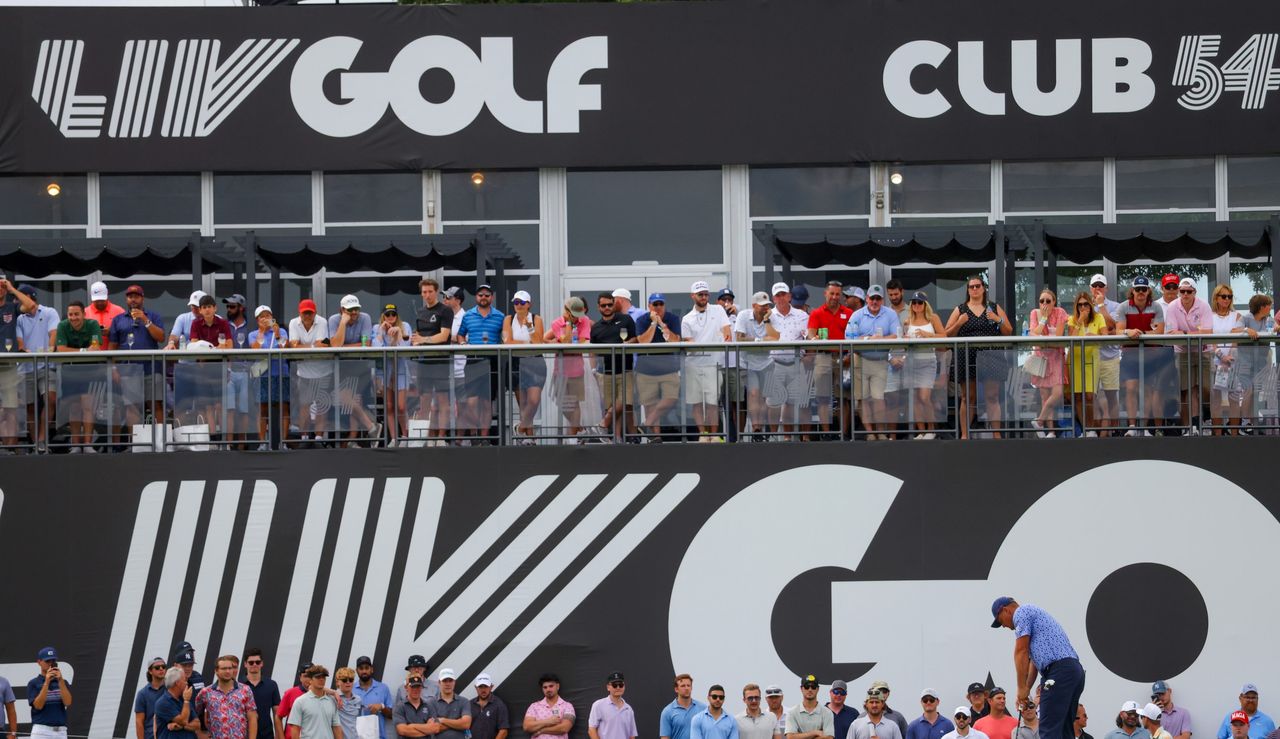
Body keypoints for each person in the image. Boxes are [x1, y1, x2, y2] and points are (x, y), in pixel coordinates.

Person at [991, 597, 1085, 739]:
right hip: (1072, 671)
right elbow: (1034, 662)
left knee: (1048, 730)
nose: (1003, 626)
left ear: (1006, 610)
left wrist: (1021, 688)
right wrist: (1027, 689)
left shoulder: (1021, 612)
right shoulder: (1035, 618)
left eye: (1000, 620)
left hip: (1058, 672)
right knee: (1065, 731)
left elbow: (1020, 651)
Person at [945, 277, 1013, 439]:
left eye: (977, 286)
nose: (974, 289)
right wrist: (959, 323)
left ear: (983, 288)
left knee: (992, 396)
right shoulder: (960, 309)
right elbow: (946, 334)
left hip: (991, 354)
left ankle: (997, 435)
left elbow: (1008, 331)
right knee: (968, 397)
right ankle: (964, 435)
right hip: (966, 355)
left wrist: (998, 319)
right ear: (968, 290)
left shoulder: (994, 308)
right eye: (971, 287)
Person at [108, 284, 166, 439]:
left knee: (155, 404)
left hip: (151, 367)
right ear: (126, 299)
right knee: (131, 406)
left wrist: (145, 320)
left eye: (136, 296)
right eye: (130, 296)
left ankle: (161, 442)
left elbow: (160, 337)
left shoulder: (153, 316)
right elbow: (112, 347)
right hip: (128, 370)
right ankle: (136, 444)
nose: (133, 299)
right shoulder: (118, 319)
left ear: (142, 298)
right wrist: (113, 368)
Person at [326, 294, 382, 446]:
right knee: (347, 398)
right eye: (350, 310)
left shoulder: (365, 317)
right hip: (341, 365)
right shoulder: (334, 320)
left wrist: (342, 347)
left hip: (360, 365)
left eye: (356, 309)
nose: (355, 313)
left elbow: (366, 345)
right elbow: (335, 345)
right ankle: (371, 426)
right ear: (342, 310)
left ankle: (354, 438)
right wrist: (343, 324)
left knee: (352, 399)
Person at [847, 285, 901, 439]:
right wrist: (868, 339)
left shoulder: (890, 314)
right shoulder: (857, 315)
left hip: (881, 360)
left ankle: (881, 432)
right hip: (860, 359)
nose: (875, 301)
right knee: (863, 398)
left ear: (882, 300)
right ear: (867, 299)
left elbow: (896, 335)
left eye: (878, 298)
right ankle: (870, 432)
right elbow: (849, 337)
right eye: (872, 298)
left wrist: (880, 339)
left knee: (878, 399)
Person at [682, 280, 732, 442]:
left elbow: (727, 333)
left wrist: (723, 340)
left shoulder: (718, 309)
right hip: (693, 365)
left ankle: (714, 434)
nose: (703, 297)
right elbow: (688, 344)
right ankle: (703, 434)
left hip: (714, 363)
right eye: (700, 294)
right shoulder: (687, 318)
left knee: (712, 402)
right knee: (697, 402)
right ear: (693, 296)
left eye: (706, 294)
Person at [1115, 278, 1165, 436]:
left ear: (1149, 290)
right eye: (1138, 289)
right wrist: (1127, 332)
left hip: (1151, 354)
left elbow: (1160, 332)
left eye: (1144, 289)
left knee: (1147, 390)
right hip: (1130, 353)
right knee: (1130, 388)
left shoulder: (1156, 306)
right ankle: (1131, 427)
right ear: (1133, 291)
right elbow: (1118, 331)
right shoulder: (1123, 306)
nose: (1141, 292)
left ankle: (1144, 428)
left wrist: (1141, 333)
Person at [1163, 278, 1213, 435]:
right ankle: (1192, 427)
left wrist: (1184, 333)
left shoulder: (1203, 305)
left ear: (1194, 293)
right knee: (1187, 390)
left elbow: (1207, 333)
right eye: (1182, 291)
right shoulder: (1172, 306)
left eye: (1188, 291)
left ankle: (1206, 415)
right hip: (1182, 352)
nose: (1185, 294)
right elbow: (1171, 333)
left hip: (1203, 351)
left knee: (1205, 388)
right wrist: (1193, 335)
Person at [456, 284, 505, 443]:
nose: (483, 297)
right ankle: (474, 435)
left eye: (487, 295)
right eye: (480, 295)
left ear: (491, 297)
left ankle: (483, 438)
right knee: (471, 402)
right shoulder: (468, 315)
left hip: (492, 361)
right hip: (473, 360)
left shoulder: (500, 316)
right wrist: (463, 344)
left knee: (486, 403)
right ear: (476, 297)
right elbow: (460, 335)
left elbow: (504, 338)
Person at [54, 302, 103, 452]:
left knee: (88, 407)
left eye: (76, 314)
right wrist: (83, 350)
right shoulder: (62, 326)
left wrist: (77, 351)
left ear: (83, 314)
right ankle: (75, 445)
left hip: (91, 371)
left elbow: (95, 348)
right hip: (70, 372)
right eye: (70, 314)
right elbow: (61, 350)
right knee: (74, 407)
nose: (73, 318)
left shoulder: (93, 324)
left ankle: (87, 444)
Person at [590, 292, 638, 442]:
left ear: (614, 304)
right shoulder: (596, 327)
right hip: (606, 371)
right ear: (598, 307)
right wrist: (593, 371)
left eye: (610, 304)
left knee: (625, 401)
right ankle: (615, 438)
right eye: (603, 305)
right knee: (611, 406)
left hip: (626, 369)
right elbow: (593, 352)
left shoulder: (625, 319)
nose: (607, 308)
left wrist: (627, 344)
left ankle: (603, 423)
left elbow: (635, 338)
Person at [411, 278, 454, 444]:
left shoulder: (445, 310)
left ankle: (442, 437)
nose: (427, 295)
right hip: (423, 363)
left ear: (436, 292)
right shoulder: (420, 312)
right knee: (425, 402)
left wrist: (423, 340)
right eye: (424, 292)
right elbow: (417, 337)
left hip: (441, 361)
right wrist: (412, 339)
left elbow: (444, 336)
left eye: (430, 291)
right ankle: (427, 438)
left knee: (443, 401)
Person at [807, 280, 853, 438]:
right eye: (831, 293)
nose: (834, 297)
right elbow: (811, 334)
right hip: (823, 356)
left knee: (844, 398)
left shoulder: (848, 313)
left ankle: (844, 434)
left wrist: (850, 355)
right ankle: (826, 433)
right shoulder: (817, 313)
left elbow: (853, 335)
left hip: (844, 357)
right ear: (825, 293)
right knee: (823, 397)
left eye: (837, 294)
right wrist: (815, 339)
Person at [634, 293, 682, 442]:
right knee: (649, 404)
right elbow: (643, 342)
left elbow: (675, 341)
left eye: (661, 304)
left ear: (665, 305)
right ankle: (655, 437)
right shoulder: (642, 320)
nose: (658, 307)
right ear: (649, 306)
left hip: (669, 368)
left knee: (671, 398)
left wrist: (662, 324)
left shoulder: (672, 318)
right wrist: (653, 324)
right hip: (646, 369)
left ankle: (646, 424)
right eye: (655, 304)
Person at [16, 283, 58, 450]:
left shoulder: (49, 312)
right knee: (30, 407)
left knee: (51, 399)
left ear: (29, 298)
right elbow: (20, 343)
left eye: (20, 299)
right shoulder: (19, 318)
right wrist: (23, 349)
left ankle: (42, 440)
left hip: (47, 365)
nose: (17, 303)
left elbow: (53, 334)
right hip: (26, 368)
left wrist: (48, 351)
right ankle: (35, 445)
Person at [544, 297, 593, 440]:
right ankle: (579, 428)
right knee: (561, 403)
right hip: (560, 370)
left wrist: (566, 341)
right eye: (573, 314)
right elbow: (566, 342)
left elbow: (582, 343)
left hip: (577, 370)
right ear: (566, 310)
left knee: (574, 403)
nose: (577, 318)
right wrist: (568, 324)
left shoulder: (584, 320)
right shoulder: (556, 323)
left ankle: (574, 437)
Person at [502, 291, 547, 442]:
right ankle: (529, 439)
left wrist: (530, 328)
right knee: (523, 405)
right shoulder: (508, 319)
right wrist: (528, 344)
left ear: (529, 304)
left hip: (534, 361)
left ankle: (521, 428)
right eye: (516, 303)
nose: (519, 306)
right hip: (516, 361)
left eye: (522, 303)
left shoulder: (536, 319)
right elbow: (507, 342)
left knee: (533, 401)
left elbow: (539, 343)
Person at [767, 283, 810, 439]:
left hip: (797, 362)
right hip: (774, 362)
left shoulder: (802, 315)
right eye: (778, 295)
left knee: (794, 403)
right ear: (773, 298)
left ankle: (788, 437)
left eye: (784, 294)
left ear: (789, 296)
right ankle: (772, 437)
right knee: (774, 404)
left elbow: (809, 337)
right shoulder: (768, 315)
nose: (781, 298)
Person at [287, 299, 332, 447]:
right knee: (304, 407)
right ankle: (304, 438)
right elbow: (293, 346)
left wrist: (302, 346)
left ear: (315, 313)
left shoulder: (323, 322)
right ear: (299, 313)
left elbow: (322, 347)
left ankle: (319, 438)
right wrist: (313, 346)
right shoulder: (293, 323)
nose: (307, 316)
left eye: (310, 313)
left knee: (321, 406)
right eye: (304, 313)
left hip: (323, 371)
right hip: (304, 372)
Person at [188, 294, 234, 435]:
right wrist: (215, 349)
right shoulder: (195, 323)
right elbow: (194, 345)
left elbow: (230, 346)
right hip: (202, 369)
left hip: (219, 368)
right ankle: (212, 439)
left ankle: (223, 441)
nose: (207, 310)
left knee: (220, 406)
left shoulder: (223, 323)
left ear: (215, 308)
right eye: (204, 307)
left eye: (209, 307)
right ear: (200, 310)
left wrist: (208, 350)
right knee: (208, 407)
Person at [901, 292, 946, 439]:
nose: (916, 305)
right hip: (911, 361)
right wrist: (905, 339)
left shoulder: (933, 318)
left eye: (919, 302)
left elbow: (944, 336)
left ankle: (931, 429)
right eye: (913, 302)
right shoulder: (907, 321)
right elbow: (902, 342)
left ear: (925, 304)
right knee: (914, 397)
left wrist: (927, 335)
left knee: (924, 397)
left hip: (928, 361)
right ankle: (921, 431)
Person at [735, 292, 778, 440]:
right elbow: (739, 338)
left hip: (768, 361)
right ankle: (756, 429)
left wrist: (766, 321)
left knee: (766, 397)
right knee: (754, 394)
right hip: (748, 362)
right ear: (754, 306)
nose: (766, 308)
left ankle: (764, 428)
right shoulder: (742, 315)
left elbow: (775, 338)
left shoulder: (772, 317)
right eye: (762, 306)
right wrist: (760, 340)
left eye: (767, 305)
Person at [0, 276, 36, 450]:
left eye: (1, 285)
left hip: (8, 365)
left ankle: (10, 449)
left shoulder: (11, 307)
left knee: (11, 408)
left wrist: (12, 289)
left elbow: (31, 306)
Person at [1027, 289, 1068, 437]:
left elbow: (1057, 337)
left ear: (1054, 302)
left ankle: (1039, 421)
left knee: (1057, 393)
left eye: (1048, 301)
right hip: (1041, 357)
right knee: (1045, 396)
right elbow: (1033, 333)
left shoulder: (1060, 312)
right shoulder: (1034, 313)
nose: (1044, 303)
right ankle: (1050, 431)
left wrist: (1041, 336)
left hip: (1056, 356)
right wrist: (1043, 319)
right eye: (1042, 301)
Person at [248, 307, 290, 450]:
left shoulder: (281, 331)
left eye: (268, 315)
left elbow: (285, 348)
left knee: (283, 408)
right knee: (262, 409)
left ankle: (283, 443)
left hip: (280, 374)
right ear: (257, 320)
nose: (265, 318)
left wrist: (277, 334)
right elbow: (255, 351)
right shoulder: (253, 334)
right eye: (262, 316)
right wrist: (262, 332)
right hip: (263, 375)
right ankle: (262, 443)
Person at [370, 304, 412, 443]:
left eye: (393, 314)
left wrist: (398, 334)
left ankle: (405, 435)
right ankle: (394, 438)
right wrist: (381, 333)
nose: (390, 317)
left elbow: (406, 349)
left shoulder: (404, 325)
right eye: (387, 315)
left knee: (401, 406)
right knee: (388, 406)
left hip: (400, 369)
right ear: (383, 316)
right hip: (384, 371)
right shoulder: (377, 328)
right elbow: (375, 349)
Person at [1066, 293, 1106, 436]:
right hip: (1075, 359)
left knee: (1089, 395)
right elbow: (1071, 338)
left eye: (1085, 304)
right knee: (1077, 396)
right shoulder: (1072, 319)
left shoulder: (1099, 318)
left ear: (1090, 304)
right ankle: (1085, 429)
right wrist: (1079, 321)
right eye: (1080, 305)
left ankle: (1092, 428)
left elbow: (1106, 337)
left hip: (1091, 359)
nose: (1083, 307)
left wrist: (1094, 336)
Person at [1206, 284, 1244, 434]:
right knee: (1215, 399)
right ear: (1216, 297)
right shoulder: (1209, 316)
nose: (1226, 299)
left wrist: (1230, 358)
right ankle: (1218, 435)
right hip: (1214, 361)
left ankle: (1234, 434)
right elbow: (1209, 339)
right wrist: (1221, 356)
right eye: (1223, 296)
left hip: (1232, 362)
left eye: (1229, 296)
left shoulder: (1237, 316)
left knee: (1234, 398)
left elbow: (1236, 339)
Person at [1087, 275, 1121, 435]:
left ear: (1106, 288)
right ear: (1090, 288)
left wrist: (1101, 305)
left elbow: (1111, 326)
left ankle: (1114, 430)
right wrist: (1107, 333)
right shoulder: (1084, 305)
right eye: (1095, 286)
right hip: (1091, 357)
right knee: (1091, 396)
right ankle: (1094, 430)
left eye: (1101, 286)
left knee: (1111, 395)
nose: (1098, 288)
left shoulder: (1115, 306)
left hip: (1110, 357)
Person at [1237, 295, 1275, 432]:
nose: (1270, 308)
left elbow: (1275, 328)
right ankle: (1245, 423)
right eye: (1269, 305)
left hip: (1261, 362)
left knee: (1257, 391)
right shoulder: (1245, 318)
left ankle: (1254, 424)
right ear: (1262, 307)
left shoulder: (1268, 319)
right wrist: (1247, 330)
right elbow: (1234, 331)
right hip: (1245, 361)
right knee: (1248, 390)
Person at [196, 655, 257, 739]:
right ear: (216, 671)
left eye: (230, 668)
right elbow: (196, 715)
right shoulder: (205, 692)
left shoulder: (245, 690)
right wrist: (200, 733)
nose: (228, 671)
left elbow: (252, 717)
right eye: (224, 668)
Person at [222, 294, 254, 449]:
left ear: (241, 308)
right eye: (228, 306)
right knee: (229, 410)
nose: (229, 309)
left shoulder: (251, 327)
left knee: (243, 410)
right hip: (228, 370)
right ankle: (228, 445)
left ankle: (242, 445)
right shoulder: (224, 325)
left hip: (245, 371)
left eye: (232, 306)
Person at [287, 666, 341, 739]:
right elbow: (295, 729)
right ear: (310, 680)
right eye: (318, 677)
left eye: (324, 677)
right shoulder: (300, 701)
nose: (321, 679)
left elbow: (336, 727)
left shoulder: (331, 701)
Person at [29, 647, 71, 739]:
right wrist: (47, 682)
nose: (50, 664)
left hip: (61, 731)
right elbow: (38, 706)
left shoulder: (63, 682)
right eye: (47, 661)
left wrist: (60, 680)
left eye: (53, 661)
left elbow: (67, 702)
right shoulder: (34, 683)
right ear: (39, 662)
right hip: (41, 730)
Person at [241, 649, 282, 739]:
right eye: (251, 662)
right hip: (243, 734)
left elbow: (277, 713)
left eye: (257, 662)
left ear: (262, 663)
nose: (254, 664)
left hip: (267, 735)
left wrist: (278, 735)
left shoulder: (272, 685)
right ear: (245, 664)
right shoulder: (238, 685)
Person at [523, 673, 575, 739]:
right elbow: (527, 726)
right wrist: (548, 721)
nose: (548, 689)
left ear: (558, 686)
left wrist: (541, 730)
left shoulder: (567, 706)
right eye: (545, 687)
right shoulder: (534, 706)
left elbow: (564, 728)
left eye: (551, 686)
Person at [352, 656, 393, 739]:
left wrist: (381, 707)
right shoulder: (350, 689)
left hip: (378, 736)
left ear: (372, 669)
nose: (364, 671)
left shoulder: (383, 688)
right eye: (361, 668)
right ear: (357, 671)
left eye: (367, 668)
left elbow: (391, 715)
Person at [588, 672, 637, 739]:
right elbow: (591, 730)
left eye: (620, 685)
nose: (618, 687)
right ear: (608, 687)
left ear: (624, 686)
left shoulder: (628, 709)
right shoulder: (598, 705)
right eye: (614, 685)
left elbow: (632, 735)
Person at [156, 666, 200, 739]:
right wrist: (186, 701)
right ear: (177, 683)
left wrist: (181, 726)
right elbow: (184, 721)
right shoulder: (163, 703)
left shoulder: (184, 698)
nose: (186, 683)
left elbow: (197, 724)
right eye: (185, 680)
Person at [785, 675, 834, 739]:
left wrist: (799, 736)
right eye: (806, 687)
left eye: (813, 687)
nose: (810, 689)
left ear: (818, 689)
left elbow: (829, 737)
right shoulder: (792, 712)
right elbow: (790, 737)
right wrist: (815, 733)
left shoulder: (827, 712)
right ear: (801, 689)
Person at [427, 668, 470, 739]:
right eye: (444, 681)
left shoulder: (464, 701)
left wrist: (442, 720)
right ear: (439, 682)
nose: (448, 684)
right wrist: (458, 722)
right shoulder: (431, 702)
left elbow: (466, 724)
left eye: (450, 681)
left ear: (454, 682)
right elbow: (434, 728)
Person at [661, 674, 707, 739]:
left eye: (688, 685)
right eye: (683, 686)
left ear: (691, 688)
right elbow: (665, 737)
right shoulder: (668, 711)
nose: (686, 688)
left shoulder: (703, 708)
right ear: (676, 689)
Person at [136, 657, 169, 739]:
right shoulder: (142, 694)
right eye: (157, 668)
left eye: (163, 667)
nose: (161, 669)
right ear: (150, 671)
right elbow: (139, 722)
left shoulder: (171, 690)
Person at [470, 674, 509, 739]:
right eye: (480, 687)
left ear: (491, 687)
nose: (483, 690)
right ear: (476, 687)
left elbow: (503, 731)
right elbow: (464, 728)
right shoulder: (469, 704)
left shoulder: (499, 705)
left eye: (486, 686)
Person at [279, 664, 313, 728]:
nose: (308, 679)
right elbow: (278, 717)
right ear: (300, 677)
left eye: (311, 676)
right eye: (305, 676)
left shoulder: (322, 695)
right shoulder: (290, 693)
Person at [333, 669, 363, 739]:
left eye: (351, 680)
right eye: (344, 680)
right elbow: (311, 687)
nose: (348, 682)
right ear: (337, 682)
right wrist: (333, 692)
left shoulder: (358, 699)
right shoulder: (332, 698)